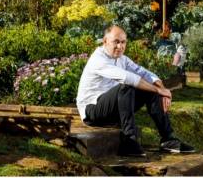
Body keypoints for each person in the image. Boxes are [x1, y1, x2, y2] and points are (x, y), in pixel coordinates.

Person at [76, 24, 195, 156]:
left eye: (123, 42)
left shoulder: (121, 58)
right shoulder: (98, 59)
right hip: (92, 112)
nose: (120, 46)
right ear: (105, 41)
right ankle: (129, 141)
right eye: (116, 42)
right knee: (128, 85)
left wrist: (161, 88)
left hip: (112, 109)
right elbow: (128, 78)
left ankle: (168, 139)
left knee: (151, 89)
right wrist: (158, 91)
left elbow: (143, 72)